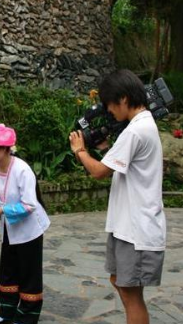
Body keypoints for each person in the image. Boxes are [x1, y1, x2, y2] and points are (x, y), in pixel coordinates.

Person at [69, 69, 166, 324]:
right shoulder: (140, 126)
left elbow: (99, 172)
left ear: (122, 99)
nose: (109, 112)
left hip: (137, 229)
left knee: (131, 293)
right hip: (128, 227)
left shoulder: (136, 130)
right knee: (120, 282)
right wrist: (104, 149)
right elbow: (122, 165)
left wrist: (80, 151)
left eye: (110, 105)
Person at [0, 124, 50, 324]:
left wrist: (2, 210)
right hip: (10, 229)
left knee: (29, 272)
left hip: (29, 230)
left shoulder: (22, 170)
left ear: (4, 149)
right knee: (8, 269)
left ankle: (28, 315)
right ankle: (6, 311)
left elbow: (29, 204)